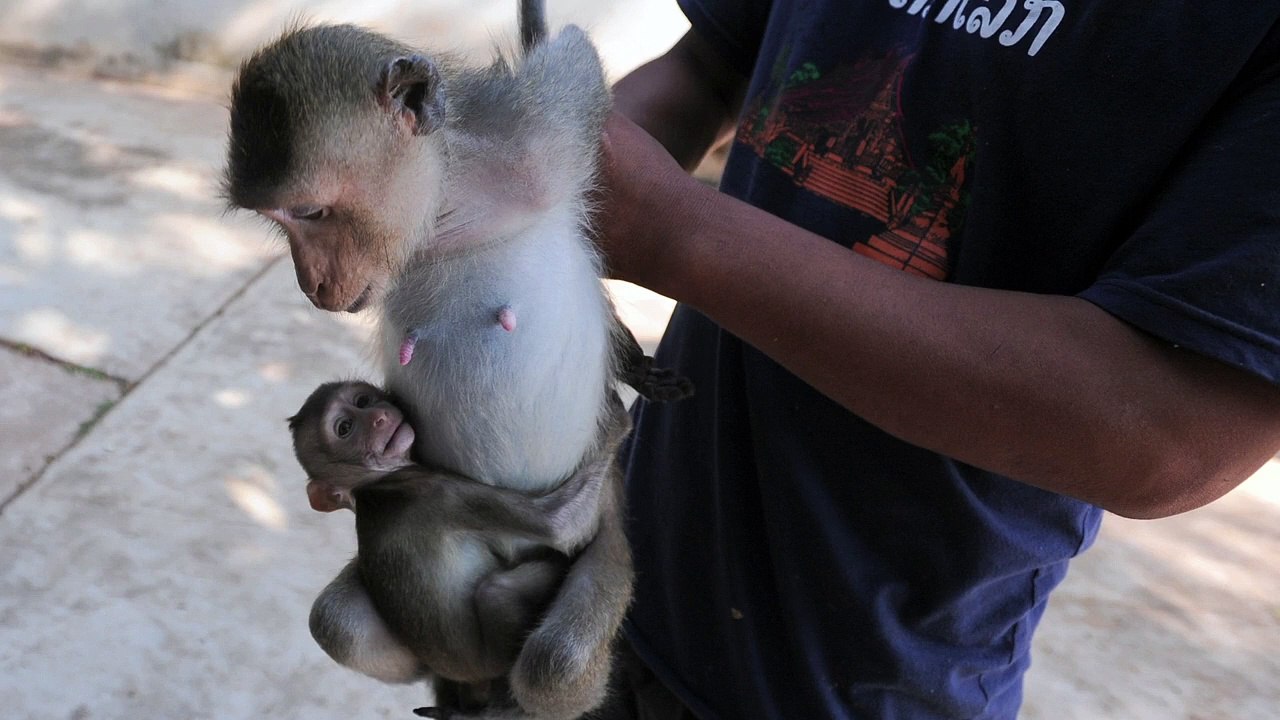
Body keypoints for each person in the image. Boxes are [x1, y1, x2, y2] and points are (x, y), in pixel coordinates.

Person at [590, 1, 1280, 718]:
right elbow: (707, 65)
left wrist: (672, 231)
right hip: (611, 585)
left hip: (858, 688)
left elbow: (1168, 432)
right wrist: (551, 183)